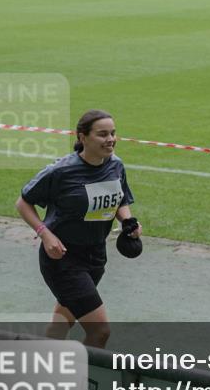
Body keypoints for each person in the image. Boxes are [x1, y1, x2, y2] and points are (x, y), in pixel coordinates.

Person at [16, 109, 141, 348]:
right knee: (100, 332)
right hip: (63, 259)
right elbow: (23, 203)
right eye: (102, 134)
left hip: (95, 256)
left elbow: (120, 199)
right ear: (82, 137)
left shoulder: (116, 165)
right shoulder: (61, 171)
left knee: (61, 323)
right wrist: (45, 235)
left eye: (113, 133)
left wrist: (127, 221)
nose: (111, 139)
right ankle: (81, 380)